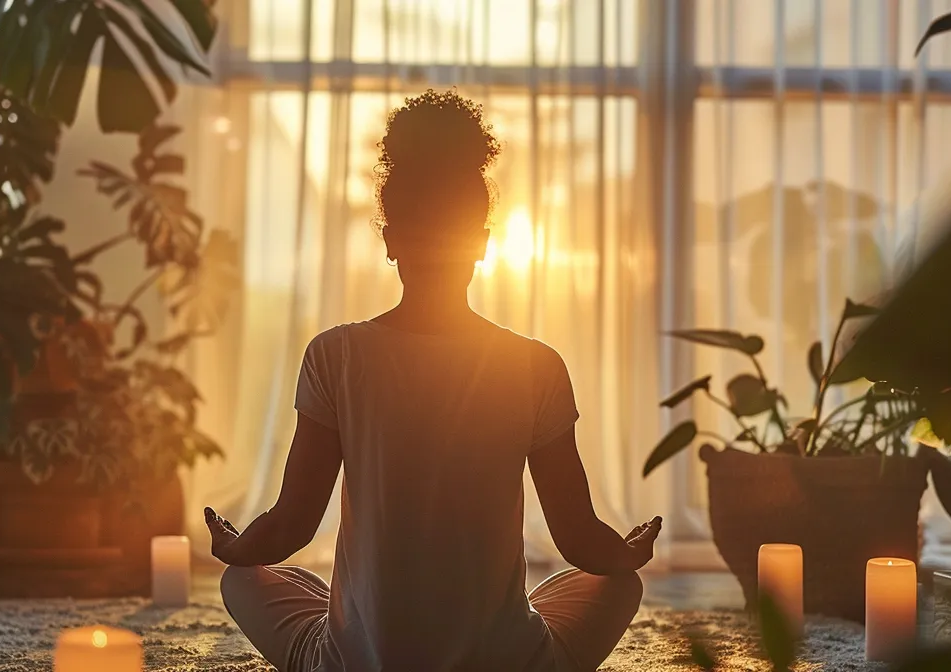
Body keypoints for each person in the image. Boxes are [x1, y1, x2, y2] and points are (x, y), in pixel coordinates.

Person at [205, 89, 660, 672]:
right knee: (619, 587)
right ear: (482, 242)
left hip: (360, 663)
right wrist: (626, 552)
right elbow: (578, 541)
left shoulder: (335, 355)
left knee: (248, 580)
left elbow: (291, 525)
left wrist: (235, 548)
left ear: (391, 240)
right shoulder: (536, 364)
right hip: (506, 663)